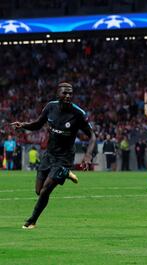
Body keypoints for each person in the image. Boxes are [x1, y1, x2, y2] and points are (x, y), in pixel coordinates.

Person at [11, 82, 96, 229]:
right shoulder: (50, 107)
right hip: (49, 155)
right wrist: (23, 125)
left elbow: (92, 136)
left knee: (45, 190)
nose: (68, 96)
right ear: (58, 94)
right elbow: (38, 124)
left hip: (64, 158)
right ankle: (66, 174)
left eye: (70, 93)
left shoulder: (78, 114)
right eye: (65, 93)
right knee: (38, 191)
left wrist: (88, 155)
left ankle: (32, 221)